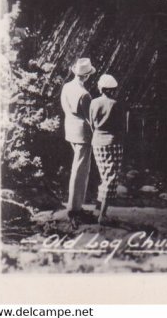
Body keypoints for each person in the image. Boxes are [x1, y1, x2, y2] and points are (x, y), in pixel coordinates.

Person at [60, 57, 95, 226]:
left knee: (77, 168)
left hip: (70, 129)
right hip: (83, 134)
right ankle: (74, 209)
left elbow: (64, 107)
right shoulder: (84, 94)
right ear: (87, 76)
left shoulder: (67, 87)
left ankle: (76, 206)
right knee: (81, 171)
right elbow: (90, 118)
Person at [90, 74, 126, 224]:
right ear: (112, 89)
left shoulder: (94, 102)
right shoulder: (116, 104)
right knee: (111, 178)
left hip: (97, 141)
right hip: (113, 142)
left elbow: (91, 123)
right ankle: (102, 215)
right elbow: (122, 126)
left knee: (104, 175)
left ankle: (98, 209)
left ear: (101, 88)